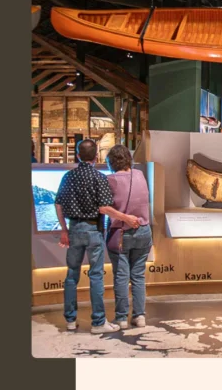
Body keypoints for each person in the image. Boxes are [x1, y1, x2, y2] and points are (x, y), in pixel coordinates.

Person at [54, 138, 139, 334]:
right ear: (96, 157)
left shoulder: (68, 177)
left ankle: (70, 320)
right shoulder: (100, 178)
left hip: (74, 229)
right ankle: (98, 322)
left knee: (71, 276)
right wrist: (125, 218)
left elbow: (58, 204)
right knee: (96, 276)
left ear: (77, 156)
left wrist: (64, 230)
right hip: (94, 231)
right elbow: (105, 208)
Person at [104, 144, 152, 329]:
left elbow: (107, 208)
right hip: (144, 231)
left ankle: (121, 318)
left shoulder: (110, 180)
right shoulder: (139, 175)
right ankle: (140, 316)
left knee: (121, 277)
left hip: (121, 234)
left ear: (111, 162)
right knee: (138, 276)